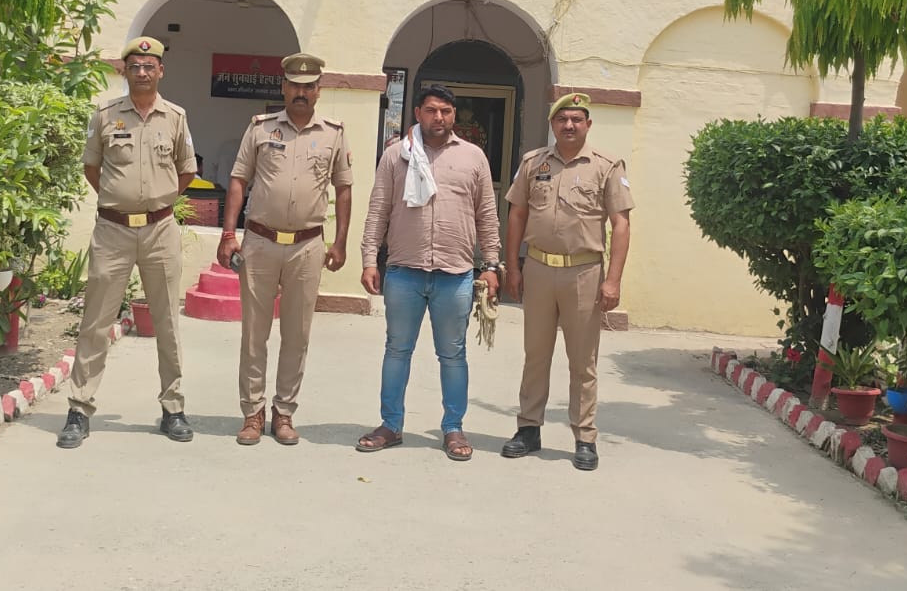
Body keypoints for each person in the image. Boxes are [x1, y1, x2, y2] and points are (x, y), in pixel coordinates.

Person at [58, 36, 198, 449]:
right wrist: (119, 201)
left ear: (161, 71)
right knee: (96, 321)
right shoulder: (105, 115)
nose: (142, 72)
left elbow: (186, 171)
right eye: (134, 66)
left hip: (159, 231)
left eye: (149, 66)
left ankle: (173, 408)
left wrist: (157, 201)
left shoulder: (176, 117)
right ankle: (79, 409)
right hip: (113, 231)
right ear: (124, 70)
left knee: (167, 322)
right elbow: (92, 167)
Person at [356, 83, 500, 461]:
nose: (439, 117)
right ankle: (391, 424)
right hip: (404, 271)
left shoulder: (473, 157)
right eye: (432, 110)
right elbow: (378, 210)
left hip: (455, 273)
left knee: (453, 355)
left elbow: (487, 215)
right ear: (418, 113)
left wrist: (491, 265)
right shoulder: (396, 155)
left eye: (446, 111)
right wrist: (370, 259)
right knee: (397, 351)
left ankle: (453, 428)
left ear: (453, 116)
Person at [218, 52, 353, 445]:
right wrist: (228, 234)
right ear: (284, 87)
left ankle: (284, 412)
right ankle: (252, 412)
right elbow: (239, 180)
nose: (301, 92)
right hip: (260, 242)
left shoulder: (333, 133)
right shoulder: (260, 129)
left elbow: (344, 188)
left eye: (309, 86)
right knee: (254, 333)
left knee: (297, 334)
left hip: (307, 246)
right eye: (295, 85)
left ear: (319, 90)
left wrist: (340, 241)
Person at [499, 92, 633, 471]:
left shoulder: (606, 165)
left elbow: (621, 224)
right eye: (562, 119)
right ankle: (528, 428)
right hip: (539, 269)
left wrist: (613, 280)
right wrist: (514, 267)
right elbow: (517, 214)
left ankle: (585, 437)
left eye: (576, 119)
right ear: (553, 125)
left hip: (584, 273)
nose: (569, 125)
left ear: (588, 124)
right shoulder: (533, 163)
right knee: (536, 355)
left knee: (583, 361)